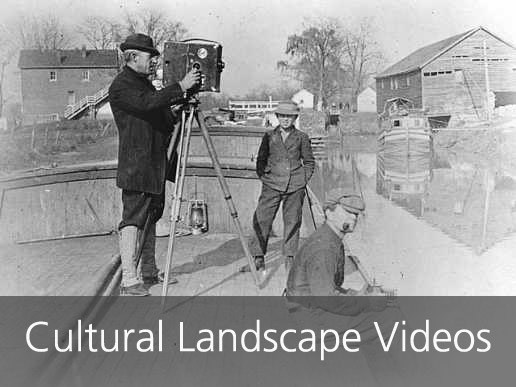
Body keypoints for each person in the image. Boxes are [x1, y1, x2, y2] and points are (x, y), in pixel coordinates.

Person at [285, 190, 419, 387]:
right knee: (392, 319)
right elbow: (326, 298)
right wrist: (365, 301)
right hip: (310, 321)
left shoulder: (329, 237)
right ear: (329, 212)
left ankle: (384, 376)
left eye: (355, 214)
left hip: (307, 310)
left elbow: (326, 290)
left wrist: (360, 295)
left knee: (381, 314)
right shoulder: (325, 247)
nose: (353, 218)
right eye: (347, 212)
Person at [109, 33, 200, 296]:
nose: (154, 63)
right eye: (151, 57)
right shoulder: (123, 85)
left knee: (151, 217)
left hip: (154, 164)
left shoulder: (144, 85)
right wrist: (180, 86)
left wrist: (178, 107)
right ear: (133, 57)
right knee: (133, 220)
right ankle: (128, 279)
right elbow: (146, 104)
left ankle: (148, 271)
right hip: (137, 166)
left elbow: (159, 116)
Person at [246, 100, 315, 272]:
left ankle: (290, 257)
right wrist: (264, 177)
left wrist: (303, 180)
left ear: (294, 118)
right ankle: (258, 256)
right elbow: (261, 160)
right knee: (262, 219)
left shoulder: (302, 137)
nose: (285, 119)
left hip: (294, 186)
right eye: (282, 116)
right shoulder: (269, 136)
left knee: (292, 222)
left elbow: (309, 162)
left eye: (289, 116)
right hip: (272, 184)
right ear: (277, 117)